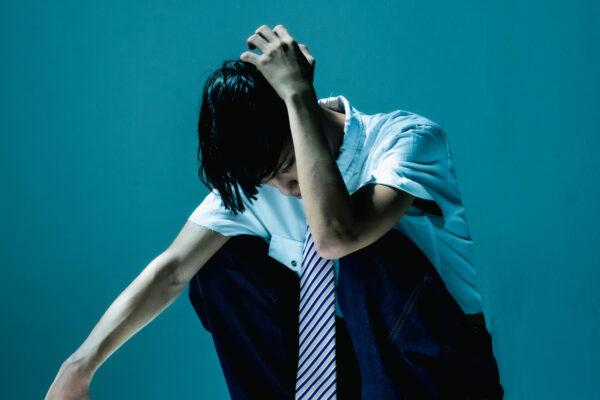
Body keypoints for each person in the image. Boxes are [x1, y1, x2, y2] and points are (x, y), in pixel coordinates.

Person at [45, 24, 503, 400]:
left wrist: (298, 94)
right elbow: (171, 270)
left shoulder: (406, 140)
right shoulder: (260, 182)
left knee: (361, 248)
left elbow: (337, 235)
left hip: (447, 375)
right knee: (218, 263)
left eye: (288, 167)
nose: (288, 190)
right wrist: (79, 366)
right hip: (352, 372)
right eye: (271, 182)